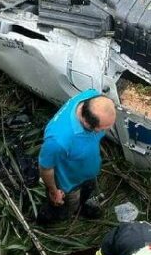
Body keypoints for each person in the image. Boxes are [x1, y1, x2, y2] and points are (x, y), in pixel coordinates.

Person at [36, 89, 116, 223]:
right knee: (66, 207)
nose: (107, 131)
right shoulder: (59, 140)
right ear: (87, 123)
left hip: (85, 174)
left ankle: (81, 205)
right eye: (103, 129)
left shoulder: (92, 97)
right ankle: (55, 218)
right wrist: (54, 192)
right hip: (69, 185)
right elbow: (46, 168)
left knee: (85, 193)